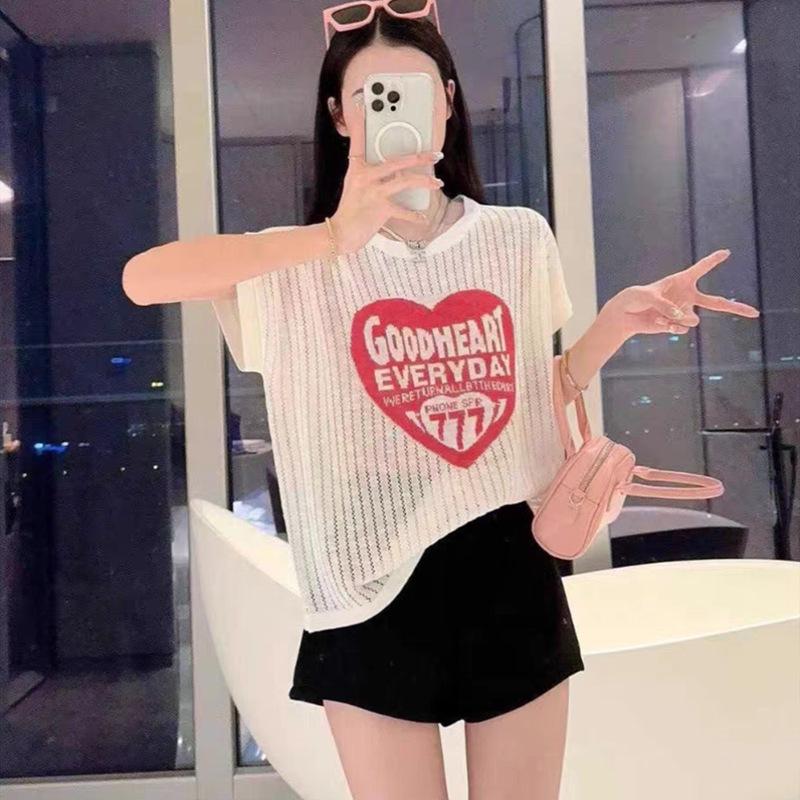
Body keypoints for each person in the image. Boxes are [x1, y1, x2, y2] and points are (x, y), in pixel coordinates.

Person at [122, 2, 760, 797]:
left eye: (417, 90)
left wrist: (611, 327)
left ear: (448, 103)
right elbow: (143, 279)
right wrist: (332, 238)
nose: (395, 108)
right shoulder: (297, 261)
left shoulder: (516, 238)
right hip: (365, 581)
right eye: (371, 94)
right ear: (339, 115)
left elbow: (531, 396)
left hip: (508, 564)